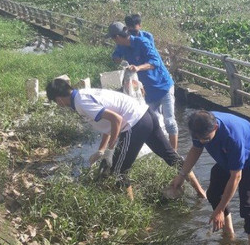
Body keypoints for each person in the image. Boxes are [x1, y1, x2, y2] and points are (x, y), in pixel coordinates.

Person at [46, 79, 204, 201]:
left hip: (134, 124)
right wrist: (101, 150)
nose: (59, 105)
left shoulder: (81, 103)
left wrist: (110, 148)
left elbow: (116, 120)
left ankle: (132, 210)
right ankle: (201, 193)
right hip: (147, 115)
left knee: (119, 171)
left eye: (56, 102)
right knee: (171, 157)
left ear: (59, 99)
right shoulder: (83, 94)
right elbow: (107, 125)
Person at [167, 110, 250, 245]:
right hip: (226, 158)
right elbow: (195, 150)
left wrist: (219, 210)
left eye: (206, 139)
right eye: (198, 138)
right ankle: (230, 234)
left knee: (248, 204)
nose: (201, 142)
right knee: (213, 193)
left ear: (215, 128)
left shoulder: (232, 137)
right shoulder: (199, 126)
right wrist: (181, 176)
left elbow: (236, 176)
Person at [110, 17, 179, 150]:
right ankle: (160, 150)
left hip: (163, 86)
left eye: (113, 38)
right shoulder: (121, 46)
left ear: (118, 37)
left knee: (169, 121)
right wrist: (118, 60)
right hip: (147, 90)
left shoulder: (143, 42)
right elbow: (115, 56)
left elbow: (155, 62)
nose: (114, 41)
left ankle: (174, 154)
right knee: (147, 122)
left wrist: (138, 67)